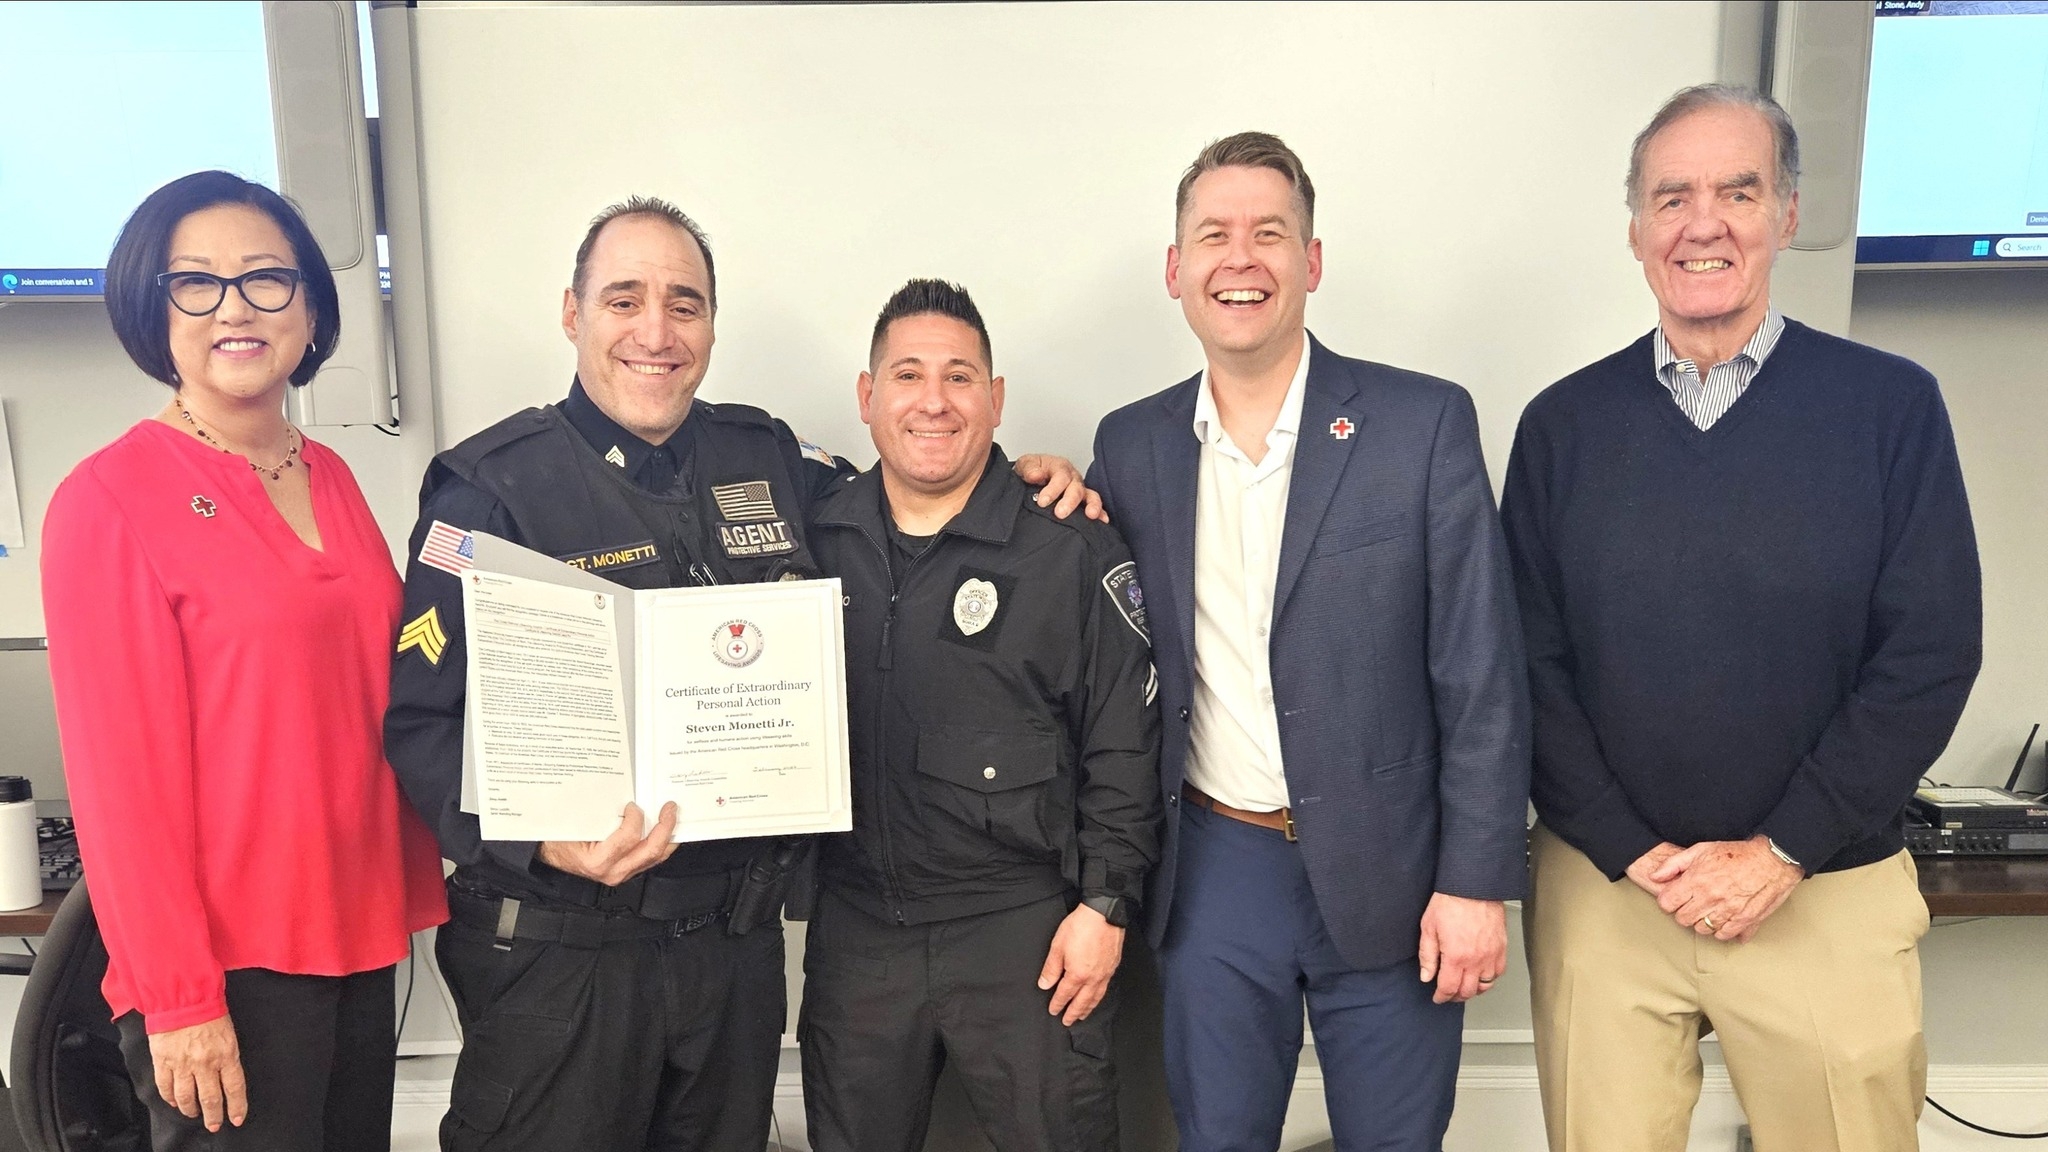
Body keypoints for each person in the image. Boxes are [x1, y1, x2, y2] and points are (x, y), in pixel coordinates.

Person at [384, 198, 1098, 1152]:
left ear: (712, 325)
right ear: (571, 313)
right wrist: (547, 847)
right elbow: (421, 727)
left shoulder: (767, 459)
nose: (656, 332)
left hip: (733, 957)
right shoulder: (490, 491)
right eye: (624, 299)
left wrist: (1020, 477)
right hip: (563, 957)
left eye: (685, 304)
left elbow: (918, 480)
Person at [1502, 84, 1983, 1152]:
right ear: (1634, 229)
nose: (1701, 221)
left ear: (1785, 214)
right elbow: (1525, 664)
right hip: (1606, 892)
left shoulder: (1887, 407)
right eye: (1670, 197)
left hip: (1820, 886)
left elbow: (1928, 652)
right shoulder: (1560, 427)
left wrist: (1779, 850)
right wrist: (1630, 849)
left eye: (1736, 190)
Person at [1085, 133, 1530, 1151]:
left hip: (1395, 873)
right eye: (1212, 236)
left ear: (1310, 262)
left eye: (1267, 234)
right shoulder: (1130, 444)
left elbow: (1480, 674)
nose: (1239, 259)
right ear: (1174, 270)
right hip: (1213, 873)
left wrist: (1473, 881)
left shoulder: (1420, 426)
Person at [39, 170, 448, 1152]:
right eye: (196, 283)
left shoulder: (333, 476)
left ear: (311, 307)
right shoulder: (109, 500)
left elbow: (375, 687)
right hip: (224, 970)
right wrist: (180, 999)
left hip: (353, 935)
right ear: (154, 306)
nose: (235, 307)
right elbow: (118, 786)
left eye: (267, 279)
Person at [799, 279, 1162, 1152]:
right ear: (866, 396)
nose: (933, 401)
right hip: (857, 937)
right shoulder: (810, 539)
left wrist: (1106, 907)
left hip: (1024, 934)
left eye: (960, 377)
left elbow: (1127, 741)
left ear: (996, 402)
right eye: (908, 375)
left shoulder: (1069, 547)